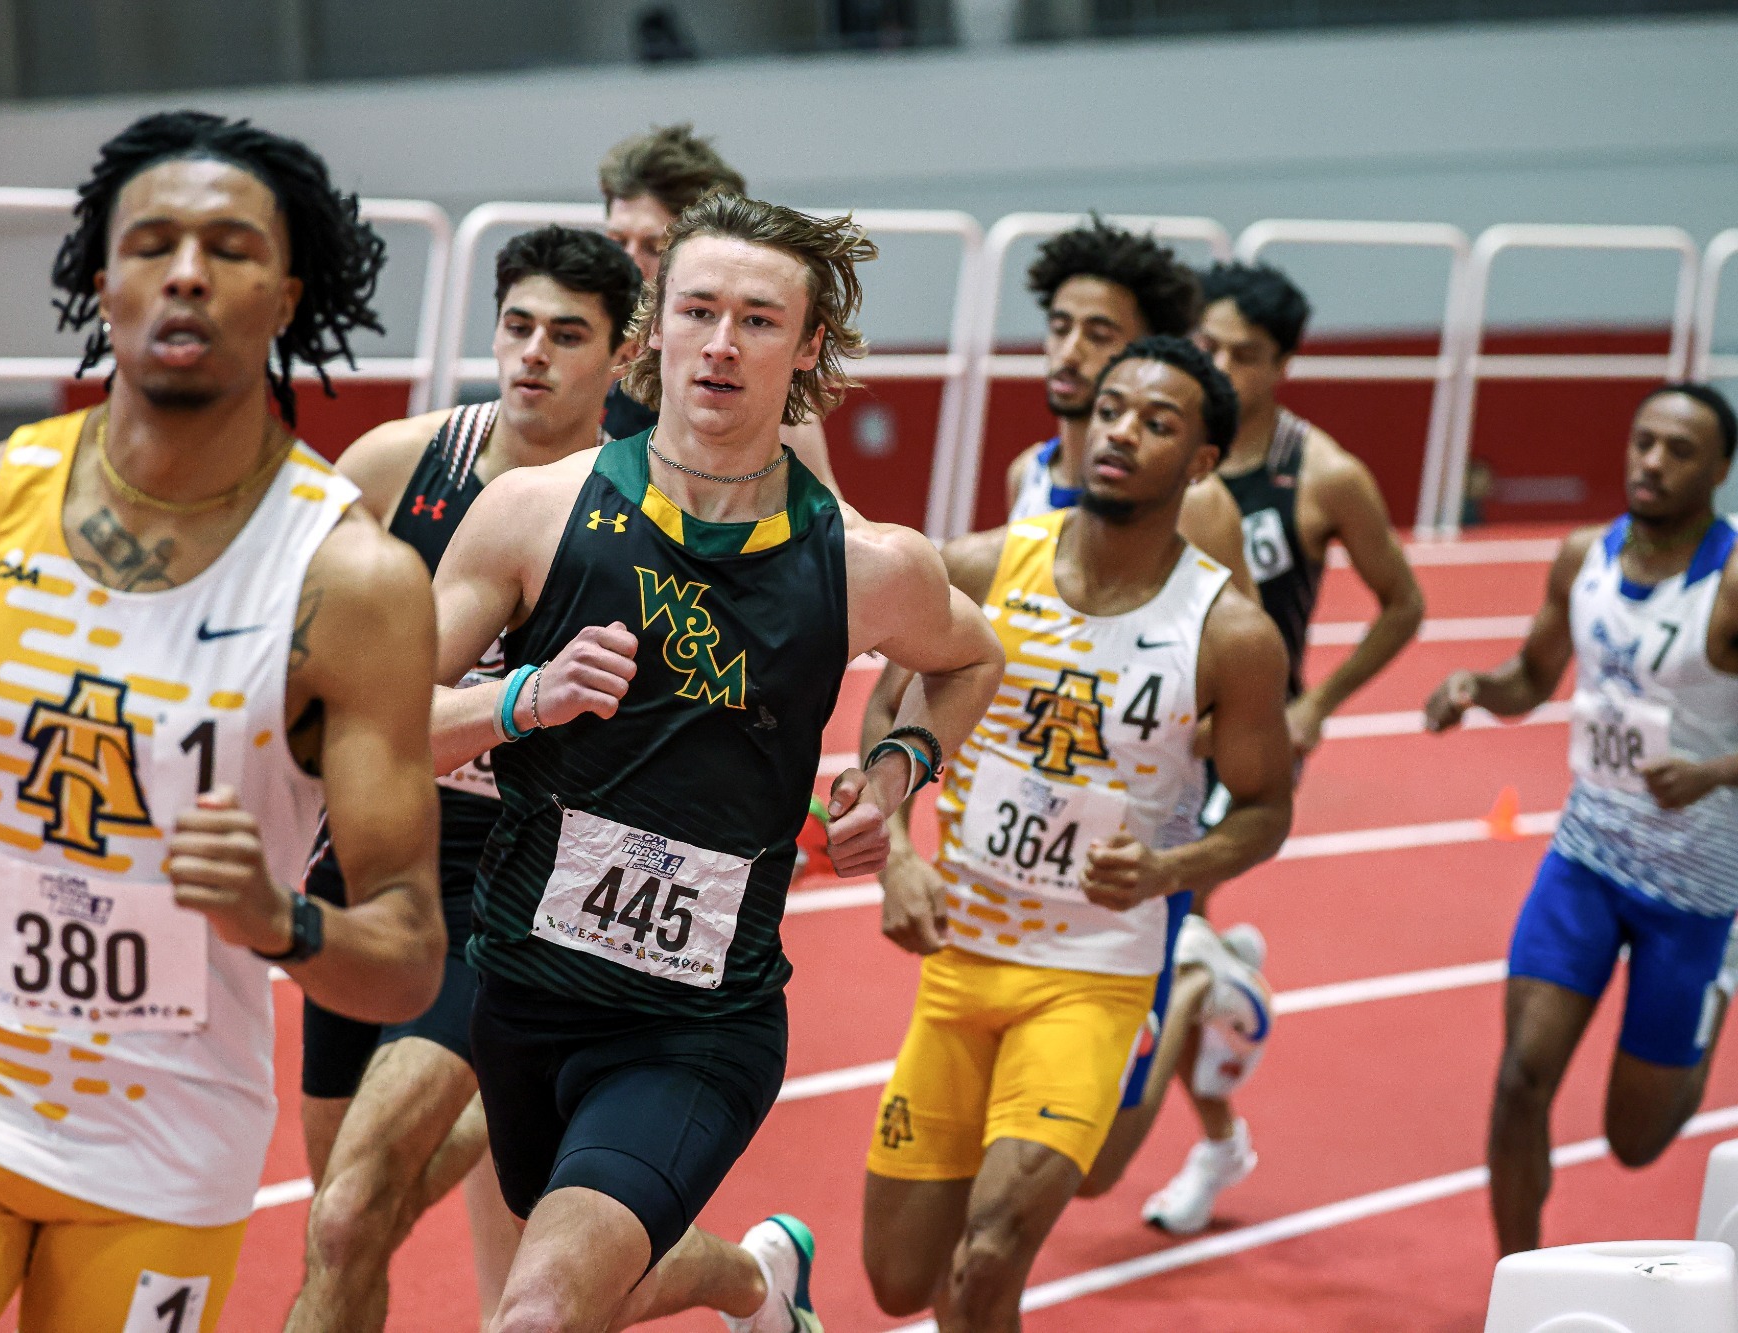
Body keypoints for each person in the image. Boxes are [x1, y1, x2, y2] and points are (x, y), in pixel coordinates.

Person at [0, 111, 448, 1331]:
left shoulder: (349, 586)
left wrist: (278, 920)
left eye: (228, 247)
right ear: (101, 279)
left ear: (284, 297)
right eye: (153, 243)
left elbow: (409, 952)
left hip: (164, 1153)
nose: (186, 271)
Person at [425, 192, 1004, 1333]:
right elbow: (380, 716)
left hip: (699, 1022)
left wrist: (889, 776)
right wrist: (521, 698)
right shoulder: (532, 514)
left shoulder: (866, 563)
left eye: (757, 318)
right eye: (697, 310)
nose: (723, 344)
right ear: (652, 330)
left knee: (535, 1309)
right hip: (524, 994)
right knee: (597, 1282)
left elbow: (970, 659)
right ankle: (752, 1281)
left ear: (808, 349)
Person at [859, 335, 1294, 1329]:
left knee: (985, 1261)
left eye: (1156, 422)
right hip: (959, 963)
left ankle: (1178, 975)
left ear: (1198, 463)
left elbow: (1268, 807)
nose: (1119, 433)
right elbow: (886, 712)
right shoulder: (976, 567)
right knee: (897, 1281)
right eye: (1109, 411)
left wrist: (1168, 869)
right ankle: (1202, 981)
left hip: (1091, 976)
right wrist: (895, 855)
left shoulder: (1226, 633)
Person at [286, 225, 641, 1332]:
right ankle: (743, 1272)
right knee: (342, 1217)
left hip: (510, 878)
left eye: (567, 335)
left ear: (620, 360)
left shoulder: (638, 502)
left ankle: (507, 1066)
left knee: (348, 1215)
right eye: (517, 326)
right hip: (369, 852)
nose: (533, 353)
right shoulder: (400, 464)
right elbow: (286, 650)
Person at [1124, 261, 1426, 1235]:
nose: (1217, 366)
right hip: (1150, 722)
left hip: (1240, 740)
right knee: (1149, 935)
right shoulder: (1165, 449)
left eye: (1241, 357)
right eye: (1205, 346)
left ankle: (1210, 1105)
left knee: (1152, 927)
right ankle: (1221, 982)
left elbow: (1404, 603)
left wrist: (1316, 703)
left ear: (1281, 365)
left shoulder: (1323, 474)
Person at [1426, 383, 1738, 1256]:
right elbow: (1533, 674)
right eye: (1644, 442)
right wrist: (1477, 689)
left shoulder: (1732, 580)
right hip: (1588, 860)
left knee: (1635, 1143)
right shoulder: (1580, 557)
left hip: (1701, 892)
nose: (1653, 462)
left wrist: (1714, 772)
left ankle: (1716, 990)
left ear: (1719, 469)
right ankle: (1516, 1283)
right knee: (1520, 1079)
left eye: (1679, 450)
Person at [1002, 218, 1256, 602]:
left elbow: (1247, 648)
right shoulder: (1026, 474)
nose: (1070, 353)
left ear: (1144, 350)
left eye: (1099, 336)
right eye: (1059, 327)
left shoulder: (1195, 503)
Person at [599, 123, 840, 494]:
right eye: (616, 243)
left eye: (653, 247)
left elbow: (828, 522)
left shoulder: (762, 390)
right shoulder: (578, 345)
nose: (625, 266)